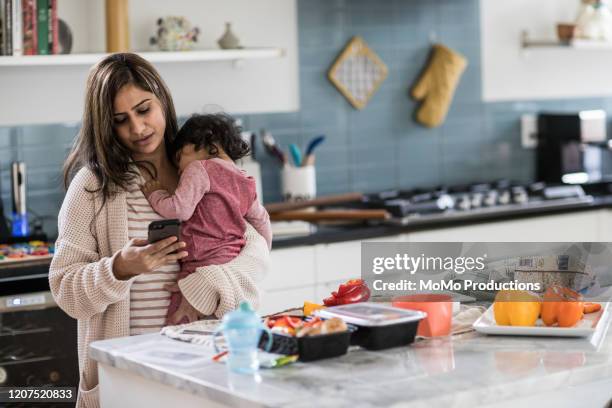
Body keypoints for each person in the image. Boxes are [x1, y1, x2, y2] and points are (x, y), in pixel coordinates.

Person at [49, 53, 269, 408]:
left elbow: (256, 255)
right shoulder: (93, 186)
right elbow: (65, 290)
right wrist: (120, 268)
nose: (137, 128)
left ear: (163, 100)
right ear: (106, 126)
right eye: (121, 120)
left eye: (144, 109)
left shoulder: (203, 167)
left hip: (208, 369)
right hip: (130, 381)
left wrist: (209, 284)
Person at [141, 113, 272, 324]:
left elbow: (180, 210)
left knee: (179, 323)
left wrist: (155, 194)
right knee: (217, 328)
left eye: (178, 158)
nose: (178, 168)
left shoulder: (199, 168)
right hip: (230, 263)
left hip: (200, 265)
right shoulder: (246, 179)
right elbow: (261, 221)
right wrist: (264, 251)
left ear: (205, 143)